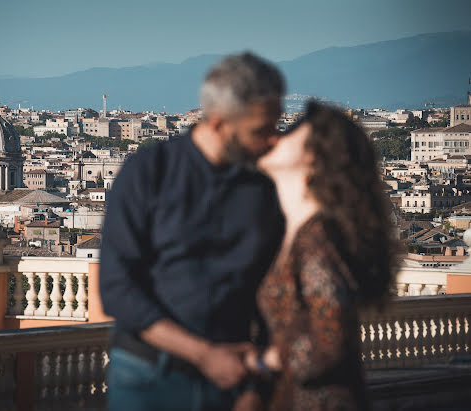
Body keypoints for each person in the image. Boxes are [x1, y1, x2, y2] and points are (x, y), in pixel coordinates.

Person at [99, 52, 286, 411]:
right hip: (149, 378)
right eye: (261, 130)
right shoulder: (147, 173)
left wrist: (257, 389)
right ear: (219, 123)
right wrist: (204, 355)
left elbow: (272, 292)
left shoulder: (263, 190)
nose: (273, 141)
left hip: (235, 380)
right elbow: (118, 289)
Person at [246, 102, 397, 410]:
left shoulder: (317, 238)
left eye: (290, 131)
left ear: (314, 156)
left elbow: (331, 340)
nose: (276, 137)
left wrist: (266, 361)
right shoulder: (296, 232)